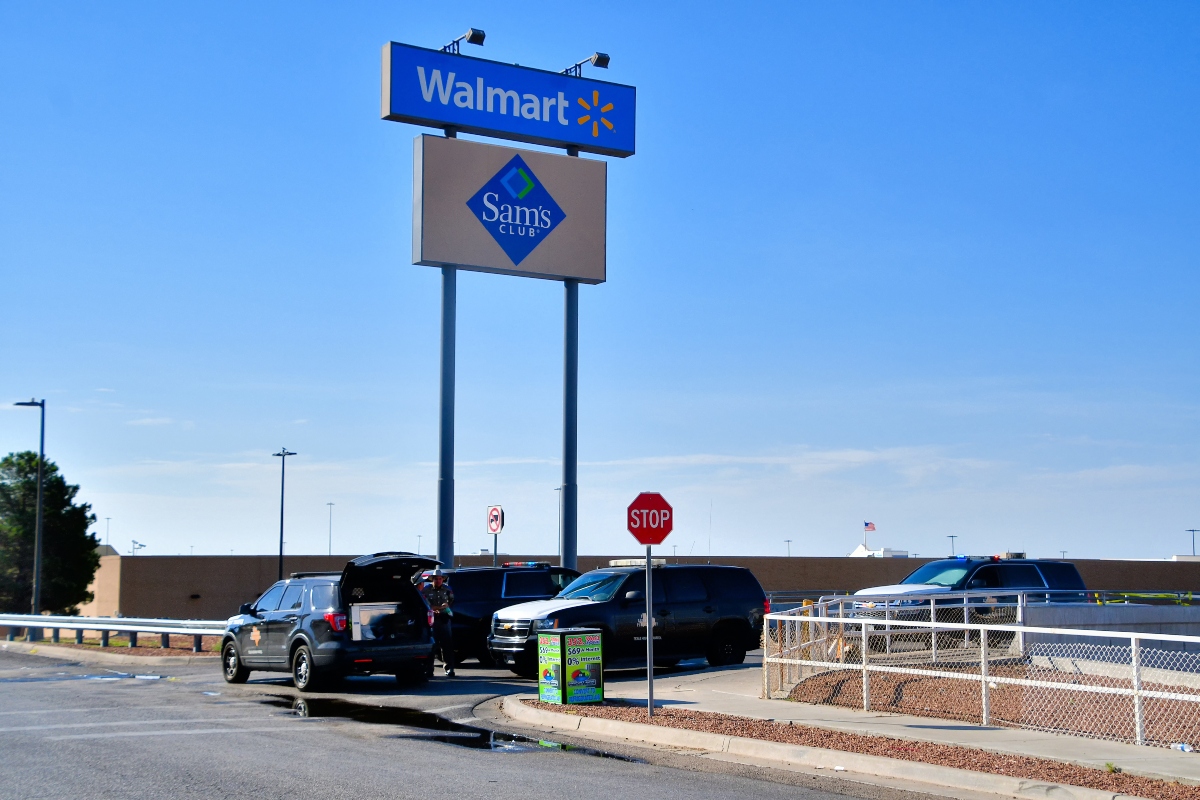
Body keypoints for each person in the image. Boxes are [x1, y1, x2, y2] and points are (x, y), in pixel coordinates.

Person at [422, 569, 455, 676]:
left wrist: (445, 607)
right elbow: (427, 605)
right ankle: (429, 669)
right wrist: (439, 607)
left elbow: (451, 602)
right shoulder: (426, 590)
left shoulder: (447, 589)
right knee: (432, 646)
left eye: (440, 579)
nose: (438, 581)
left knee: (447, 645)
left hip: (444, 620)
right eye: (436, 579)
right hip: (432, 621)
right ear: (432, 579)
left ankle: (449, 668)